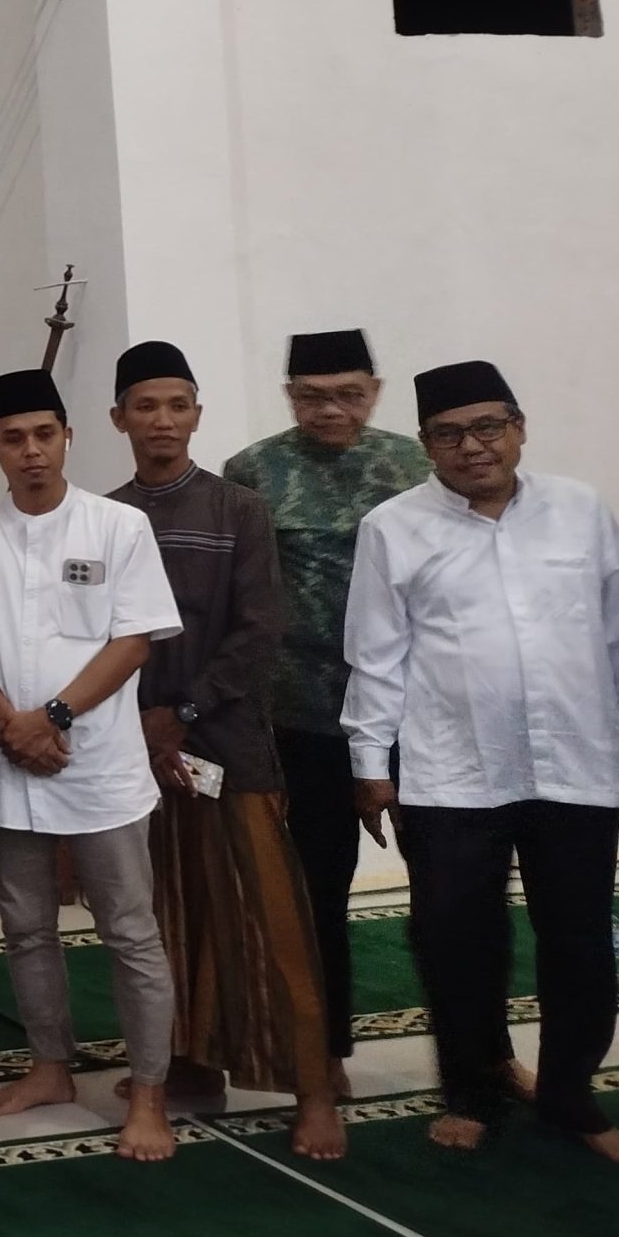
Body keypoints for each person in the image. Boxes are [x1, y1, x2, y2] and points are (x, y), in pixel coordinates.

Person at [344, 360, 619, 1162]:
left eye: (487, 427)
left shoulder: (579, 511)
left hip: (575, 764)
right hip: (452, 774)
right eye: (449, 434)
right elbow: (376, 656)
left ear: (518, 427)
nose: (472, 447)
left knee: (578, 938)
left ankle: (571, 1098)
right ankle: (473, 1091)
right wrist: (370, 764)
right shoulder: (393, 528)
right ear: (425, 444)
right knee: (455, 938)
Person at [107, 343, 342, 1160]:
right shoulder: (108, 517)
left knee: (268, 918)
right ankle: (190, 1063)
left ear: (197, 415)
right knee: (169, 914)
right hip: (136, 748)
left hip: (227, 744)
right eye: (146, 406)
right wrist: (142, 723)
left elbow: (259, 628)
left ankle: (315, 1088)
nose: (162, 421)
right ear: (119, 419)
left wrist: (184, 711)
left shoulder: (238, 509)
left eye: (178, 405)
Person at [0, 368, 185, 1163]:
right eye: (13, 438)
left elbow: (135, 639)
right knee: (26, 930)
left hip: (100, 767)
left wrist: (52, 717)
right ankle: (50, 1067)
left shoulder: (118, 526)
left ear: (68, 437)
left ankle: (148, 1093)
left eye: (44, 435)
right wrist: (10, 723)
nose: (31, 451)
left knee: (130, 933)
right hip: (11, 767)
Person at [222, 328, 432, 1089]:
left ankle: (484, 1055)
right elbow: (239, 596)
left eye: (349, 394)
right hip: (300, 715)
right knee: (315, 891)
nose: (331, 410)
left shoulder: (414, 466)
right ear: (290, 396)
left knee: (449, 889)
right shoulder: (253, 471)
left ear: (374, 392)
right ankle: (324, 1051)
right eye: (313, 397)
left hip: (412, 711)